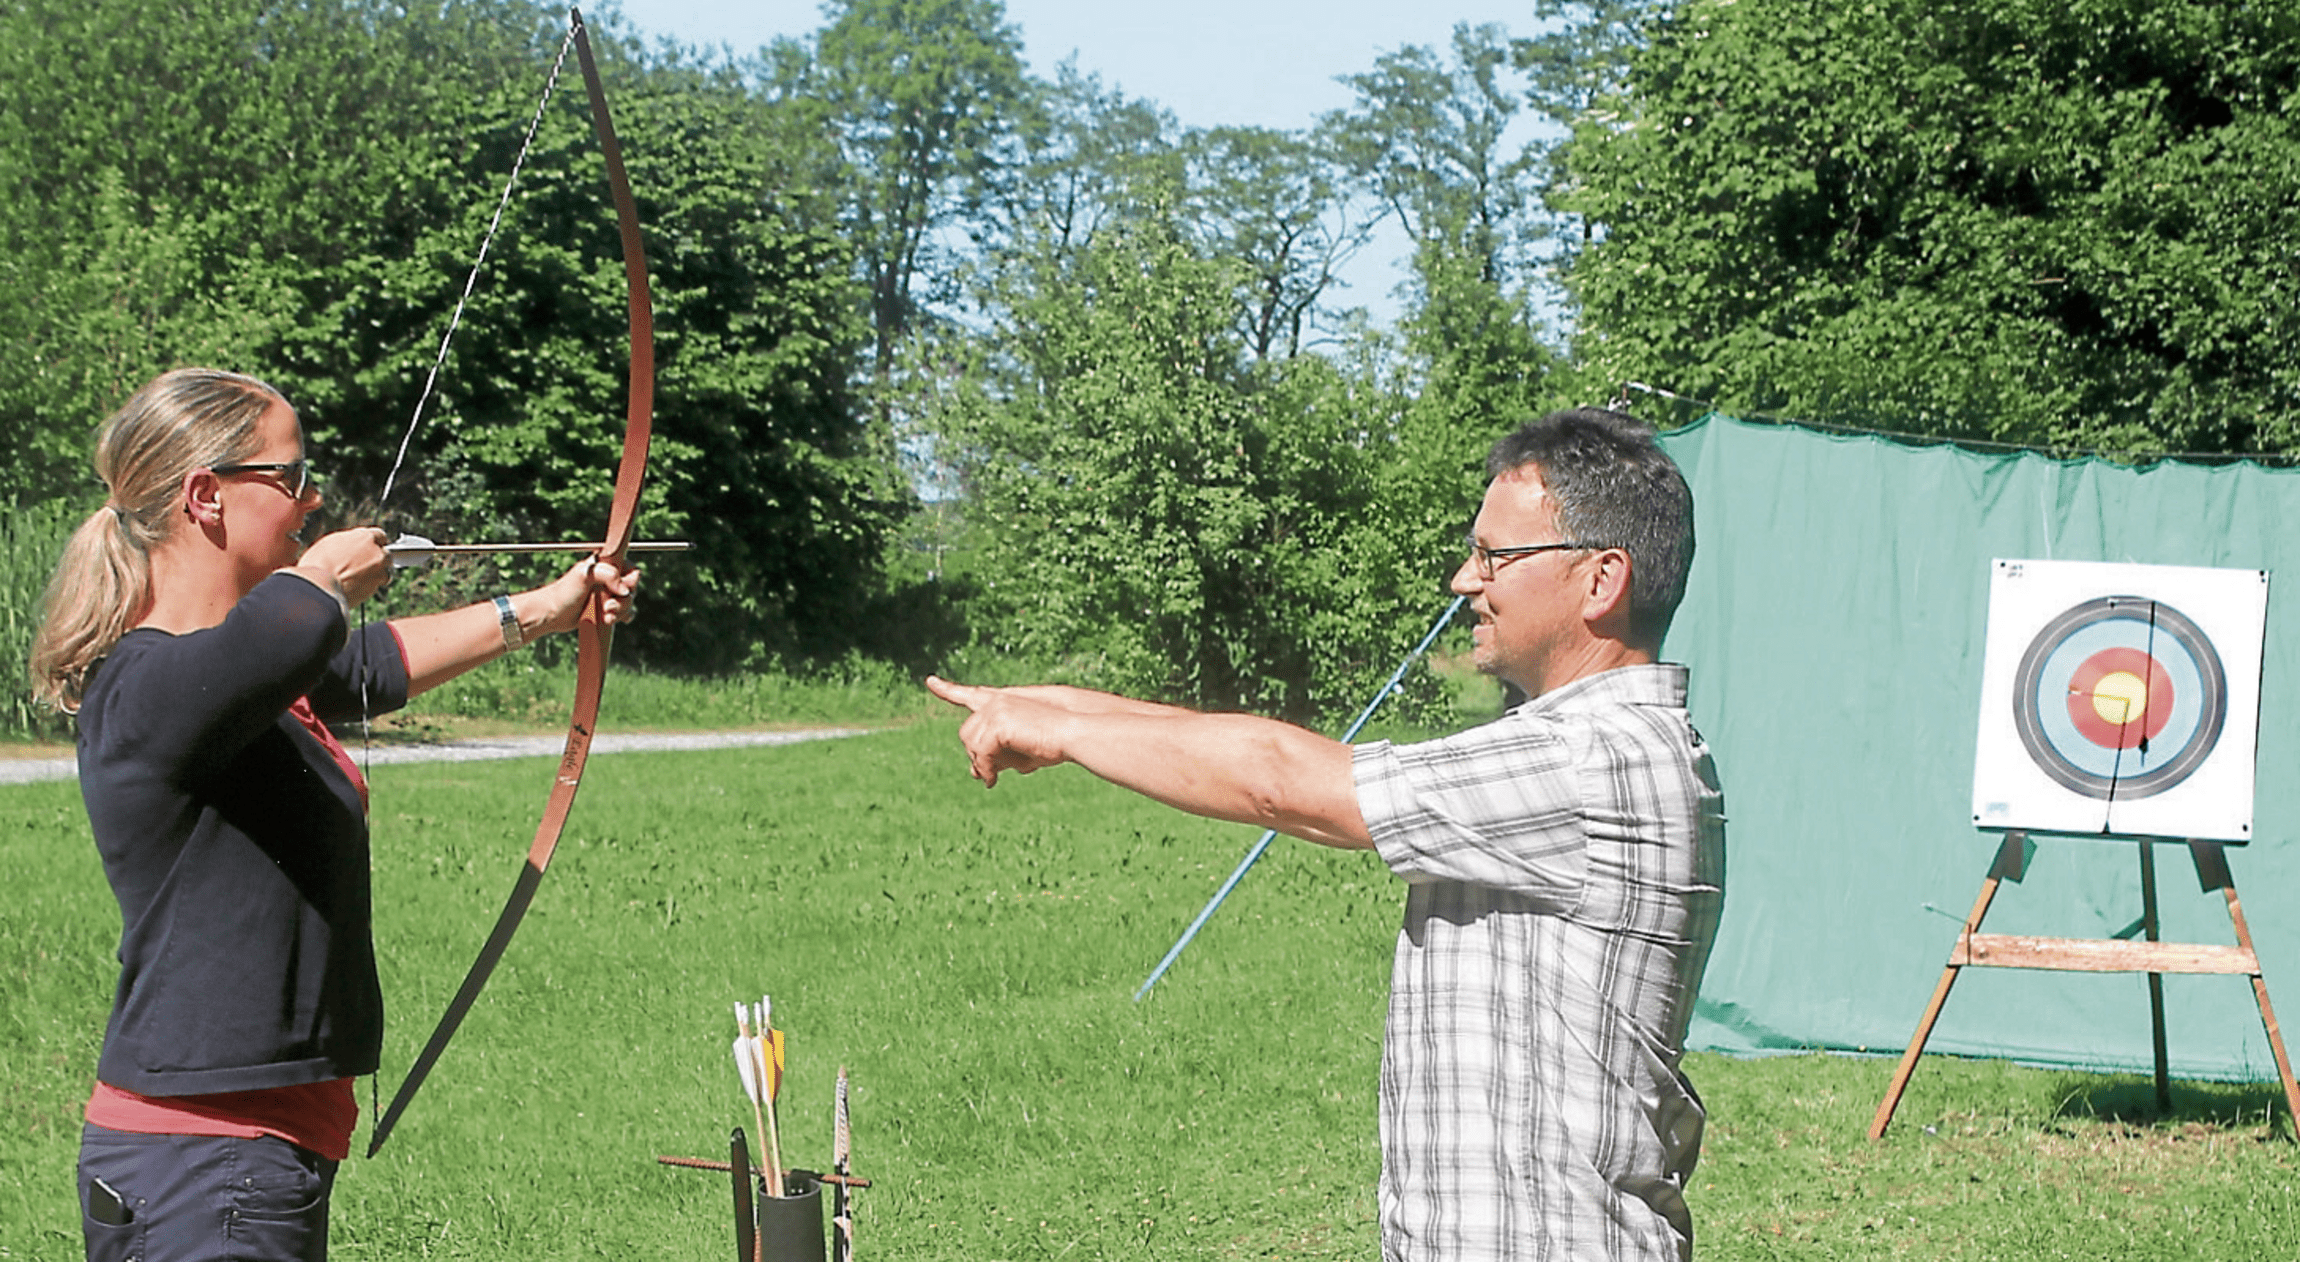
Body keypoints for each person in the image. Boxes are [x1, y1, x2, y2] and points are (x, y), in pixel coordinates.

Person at [927, 407, 1724, 1262]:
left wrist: (1066, 731)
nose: (1465, 578)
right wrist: (1059, 707)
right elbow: (1276, 758)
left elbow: (1281, 778)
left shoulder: (1593, 760)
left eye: (1495, 556)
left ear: (1601, 580)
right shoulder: (1583, 747)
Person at [29, 368, 640, 1262]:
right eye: (290, 477)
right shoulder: (149, 684)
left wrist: (550, 609)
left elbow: (370, 663)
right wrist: (324, 578)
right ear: (205, 495)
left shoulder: (245, 680)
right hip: (203, 1162)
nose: (312, 498)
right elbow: (291, 634)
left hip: (249, 1154)